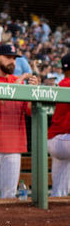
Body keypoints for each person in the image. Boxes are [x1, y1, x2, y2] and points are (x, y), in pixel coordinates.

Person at [0, 44, 39, 198]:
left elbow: (29, 110)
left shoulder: (18, 81)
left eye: (14, 58)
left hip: (14, 145)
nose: (13, 62)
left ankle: (5, 224)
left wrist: (33, 92)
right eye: (8, 57)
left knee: (9, 196)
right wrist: (14, 88)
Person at [47, 53, 70, 197]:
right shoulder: (66, 83)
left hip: (59, 141)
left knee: (60, 190)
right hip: (61, 139)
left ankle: (57, 199)